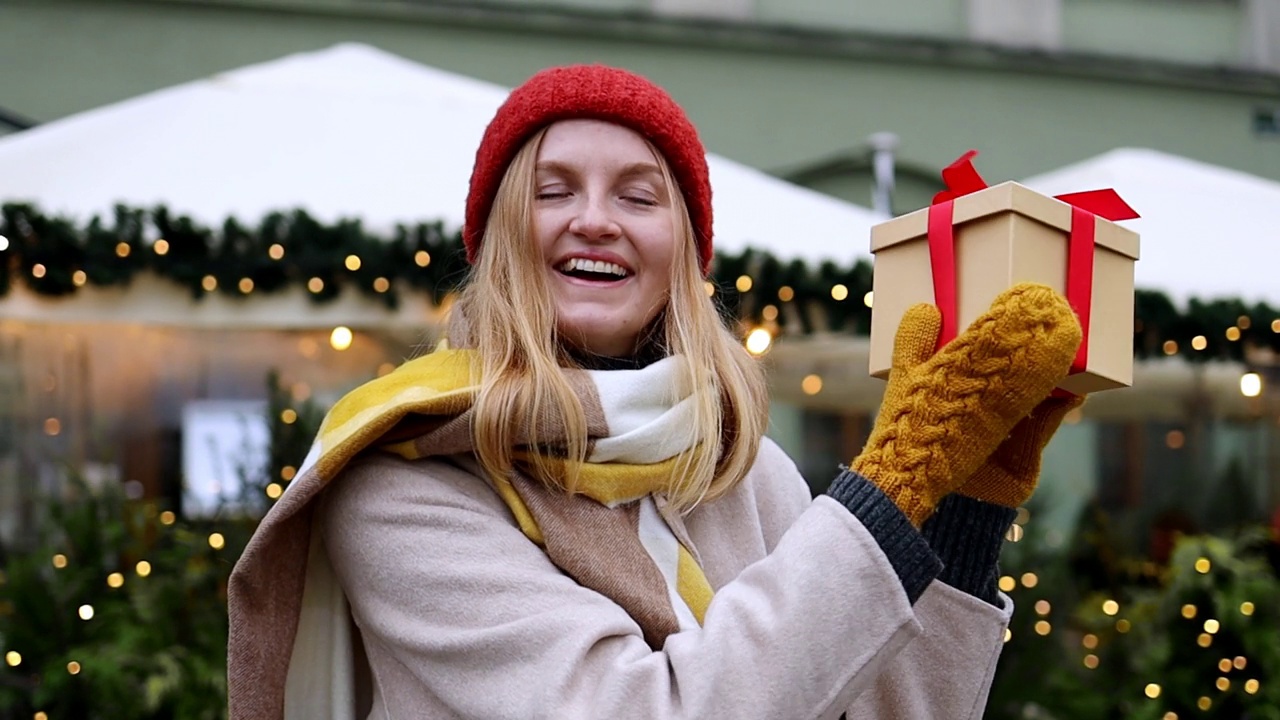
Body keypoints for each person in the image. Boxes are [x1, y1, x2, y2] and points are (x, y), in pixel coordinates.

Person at [227, 65, 1084, 719]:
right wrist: (894, 480)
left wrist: (964, 510)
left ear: (684, 255)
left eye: (638, 197)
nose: (594, 219)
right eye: (552, 191)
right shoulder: (403, 481)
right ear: (498, 246)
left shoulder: (744, 471)